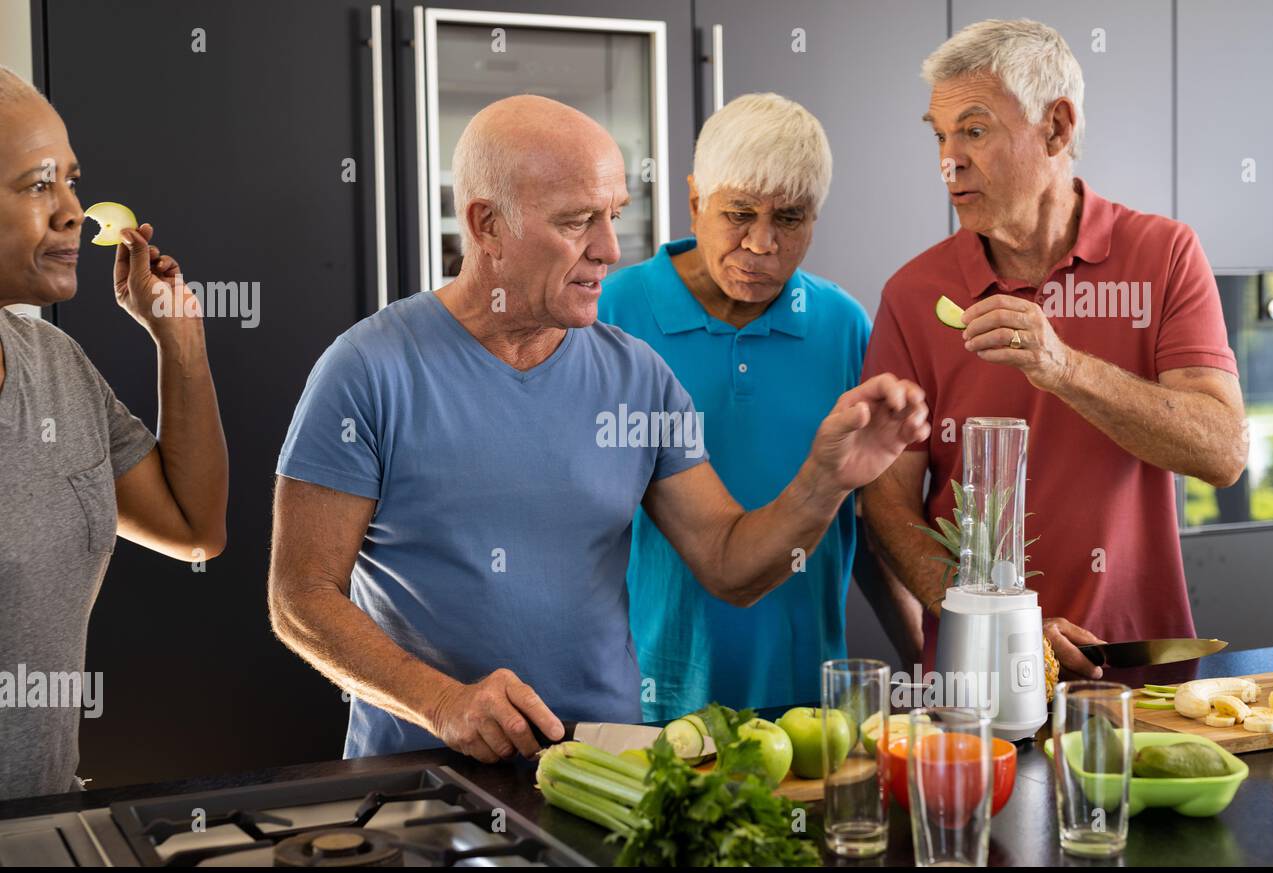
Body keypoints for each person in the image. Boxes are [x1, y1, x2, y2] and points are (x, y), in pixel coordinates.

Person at [269, 95, 930, 764]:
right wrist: (443, 701)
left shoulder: (637, 376)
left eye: (613, 216)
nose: (609, 249)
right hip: (422, 776)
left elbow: (729, 562)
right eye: (577, 221)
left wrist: (825, 479)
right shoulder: (366, 368)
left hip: (609, 771)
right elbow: (300, 595)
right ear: (486, 224)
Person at [861, 20, 1246, 688]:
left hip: (1140, 682)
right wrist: (996, 622)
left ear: (1058, 128)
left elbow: (1223, 452)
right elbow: (888, 505)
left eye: (974, 131)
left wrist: (1062, 367)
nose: (949, 161)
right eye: (939, 135)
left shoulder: (1164, 255)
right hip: (977, 686)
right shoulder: (911, 293)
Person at [600, 92, 891, 719]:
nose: (761, 245)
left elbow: (873, 520)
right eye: (739, 214)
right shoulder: (608, 315)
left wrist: (938, 652)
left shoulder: (841, 324)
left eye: (789, 219)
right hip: (639, 693)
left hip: (805, 697)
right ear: (696, 201)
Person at [0, 66, 229, 801]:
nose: (73, 212)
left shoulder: (54, 362)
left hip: (46, 816)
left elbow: (194, 527)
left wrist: (178, 341)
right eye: (37, 186)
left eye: (71, 181)